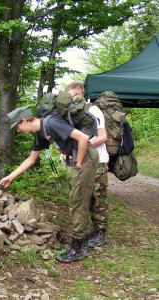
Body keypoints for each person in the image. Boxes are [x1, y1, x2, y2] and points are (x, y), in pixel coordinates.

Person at [0, 106, 99, 262]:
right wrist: (10, 176)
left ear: (24, 120)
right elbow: (31, 159)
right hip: (79, 159)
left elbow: (83, 138)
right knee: (78, 199)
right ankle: (83, 240)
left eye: (17, 127)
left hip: (86, 158)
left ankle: (78, 247)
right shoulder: (40, 133)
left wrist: (78, 163)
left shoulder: (52, 123)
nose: (18, 130)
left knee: (77, 201)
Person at [65, 82, 109, 247]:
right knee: (86, 197)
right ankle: (94, 228)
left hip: (98, 160)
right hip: (84, 161)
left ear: (79, 95)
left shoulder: (92, 110)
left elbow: (103, 136)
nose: (70, 101)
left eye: (71, 97)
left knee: (99, 197)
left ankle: (101, 231)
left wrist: (83, 147)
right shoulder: (75, 113)